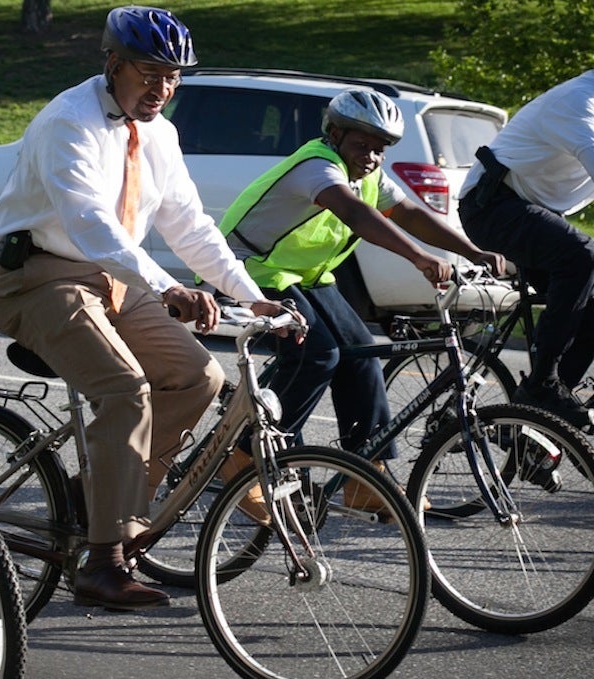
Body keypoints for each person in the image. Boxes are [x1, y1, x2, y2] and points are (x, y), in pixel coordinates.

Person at [0, 5, 294, 612]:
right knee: (126, 388)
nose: (163, 88)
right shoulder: (68, 121)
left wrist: (246, 294)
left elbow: (190, 224)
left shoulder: (159, 134)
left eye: (174, 76)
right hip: (38, 275)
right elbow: (89, 222)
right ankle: (104, 562)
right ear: (113, 65)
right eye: (149, 72)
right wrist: (167, 287)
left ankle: (94, 498)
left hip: (113, 277)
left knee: (198, 375)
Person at [218, 88, 506, 506]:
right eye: (361, 145)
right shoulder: (317, 166)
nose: (370, 156)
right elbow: (355, 213)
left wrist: (470, 250)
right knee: (317, 355)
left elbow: (406, 212)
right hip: (252, 268)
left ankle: (365, 475)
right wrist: (418, 258)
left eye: (379, 149)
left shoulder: (367, 172)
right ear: (333, 134)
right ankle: (245, 459)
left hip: (306, 275)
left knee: (361, 352)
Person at [458, 72, 594, 431]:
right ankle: (543, 386)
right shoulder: (580, 103)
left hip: (533, 211)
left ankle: (534, 425)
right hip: (491, 206)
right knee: (582, 257)